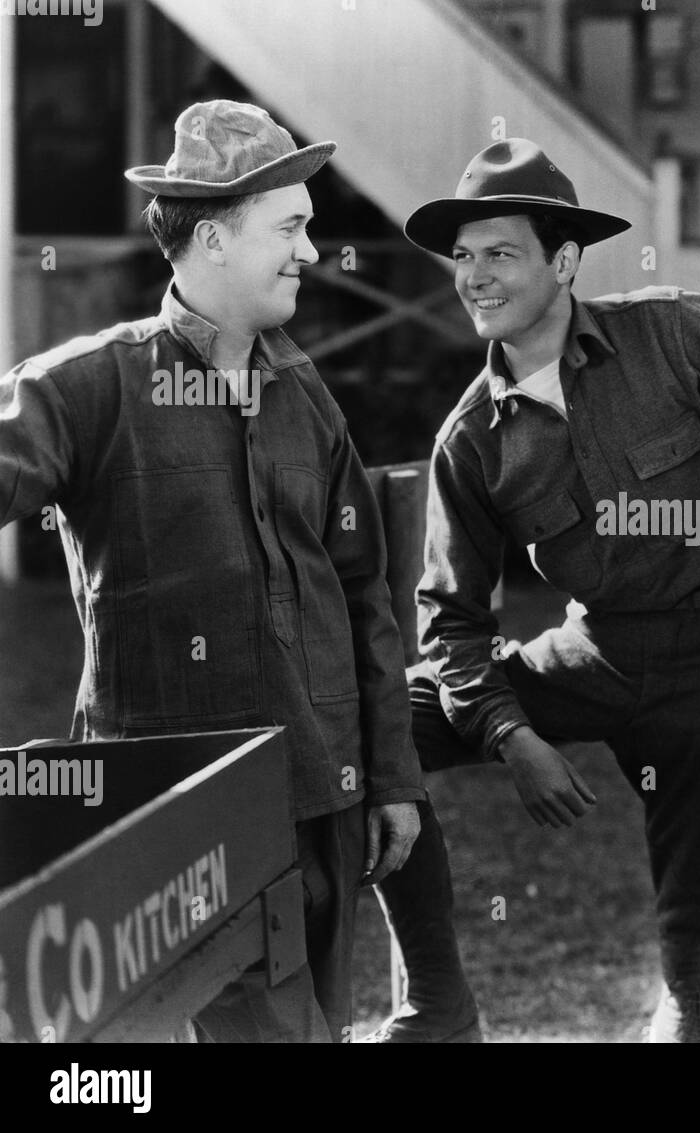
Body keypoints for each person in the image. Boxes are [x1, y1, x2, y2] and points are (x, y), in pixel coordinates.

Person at [366, 137, 700, 1043]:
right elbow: (451, 621)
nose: (474, 277)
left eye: (500, 252)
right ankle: (438, 1004)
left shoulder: (665, 332)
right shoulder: (470, 437)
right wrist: (512, 736)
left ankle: (692, 1011)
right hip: (598, 649)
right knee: (378, 721)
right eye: (463, 257)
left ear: (566, 259)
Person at [0, 100, 425, 1042]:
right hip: (182, 821)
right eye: (291, 228)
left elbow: (364, 594)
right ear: (213, 238)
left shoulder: (305, 394)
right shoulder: (88, 386)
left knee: (317, 1020)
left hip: (324, 799)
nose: (313, 251)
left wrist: (391, 778)